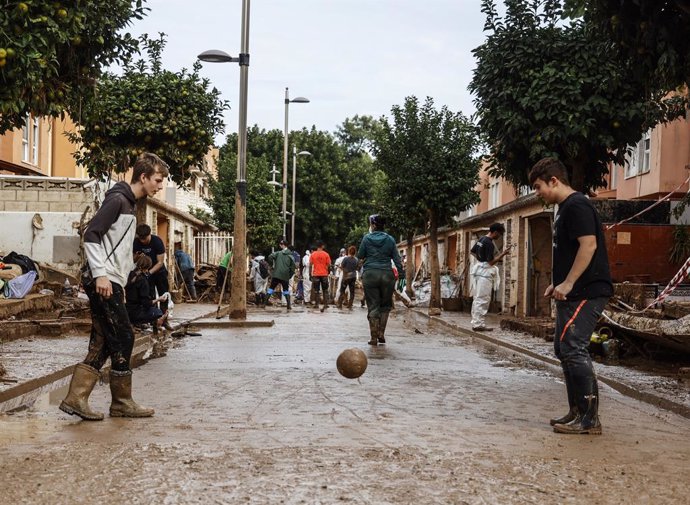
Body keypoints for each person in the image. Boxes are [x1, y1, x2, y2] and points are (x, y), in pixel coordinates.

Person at [59, 153, 168, 421]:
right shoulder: (118, 200)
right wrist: (101, 275)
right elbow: (91, 234)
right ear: (143, 177)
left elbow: (114, 247)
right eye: (157, 179)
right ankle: (121, 402)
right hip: (104, 282)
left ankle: (76, 398)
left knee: (104, 340)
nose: (160, 185)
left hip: (113, 279)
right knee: (124, 336)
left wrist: (127, 272)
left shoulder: (129, 205)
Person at [530, 157, 613, 435]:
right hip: (571, 290)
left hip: (587, 290)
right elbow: (568, 252)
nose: (537, 193)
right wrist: (557, 284)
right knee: (563, 348)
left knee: (574, 348)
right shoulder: (563, 209)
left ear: (554, 181)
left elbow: (588, 246)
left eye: (539, 186)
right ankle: (576, 411)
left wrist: (569, 282)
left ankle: (590, 420)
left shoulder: (577, 205)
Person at [357, 214, 402, 346]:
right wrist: (402, 274)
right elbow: (397, 259)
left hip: (370, 274)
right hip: (387, 275)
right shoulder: (391, 239)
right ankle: (381, 333)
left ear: (374, 225)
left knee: (373, 305)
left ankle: (373, 337)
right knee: (385, 306)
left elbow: (360, 255)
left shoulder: (366, 238)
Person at [469, 223, 510, 332]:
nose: (499, 237)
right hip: (485, 274)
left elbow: (472, 252)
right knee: (483, 299)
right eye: (500, 234)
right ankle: (479, 324)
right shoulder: (489, 243)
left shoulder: (481, 239)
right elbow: (491, 262)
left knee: (477, 299)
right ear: (495, 232)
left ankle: (476, 322)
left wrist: (480, 260)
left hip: (478, 272)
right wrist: (503, 254)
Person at [133, 224, 171, 329]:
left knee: (164, 296)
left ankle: (164, 320)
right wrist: (137, 256)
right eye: (140, 239)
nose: (142, 241)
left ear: (149, 234)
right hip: (146, 272)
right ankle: (153, 321)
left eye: (144, 239)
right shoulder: (136, 242)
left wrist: (149, 273)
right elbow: (133, 259)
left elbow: (160, 262)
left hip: (158, 272)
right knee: (150, 296)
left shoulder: (157, 242)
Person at [125, 255, 169, 329]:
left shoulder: (129, 275)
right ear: (149, 266)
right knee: (158, 312)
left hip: (125, 310)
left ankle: (135, 324)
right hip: (134, 313)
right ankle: (156, 321)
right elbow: (146, 304)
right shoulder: (143, 280)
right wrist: (159, 299)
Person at [267, 239, 296, 311]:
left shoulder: (278, 253)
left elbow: (270, 256)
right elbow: (293, 268)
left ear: (282, 245)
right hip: (285, 276)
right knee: (286, 290)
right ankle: (288, 305)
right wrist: (289, 275)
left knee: (271, 289)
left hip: (276, 275)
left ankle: (264, 303)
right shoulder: (291, 256)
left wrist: (271, 266)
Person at [309, 240, 332, 312]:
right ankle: (325, 304)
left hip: (316, 274)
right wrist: (327, 272)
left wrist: (310, 274)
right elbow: (329, 265)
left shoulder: (313, 254)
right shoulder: (326, 254)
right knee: (325, 290)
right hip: (324, 274)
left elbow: (310, 265)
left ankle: (316, 304)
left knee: (316, 290)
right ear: (322, 246)